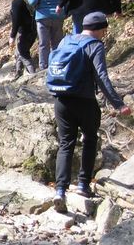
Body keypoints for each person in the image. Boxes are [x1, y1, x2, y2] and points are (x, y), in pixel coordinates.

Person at [49, 12, 131, 213]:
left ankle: (60, 190)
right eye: (104, 30)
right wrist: (119, 105)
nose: (104, 33)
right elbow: (102, 77)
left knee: (65, 144)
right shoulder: (95, 45)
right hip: (84, 101)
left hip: (61, 100)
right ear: (100, 28)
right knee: (90, 139)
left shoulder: (66, 41)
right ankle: (83, 185)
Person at [28, 0, 64, 70]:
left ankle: (44, 66)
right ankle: (58, 63)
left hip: (42, 17)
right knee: (57, 42)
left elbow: (32, 1)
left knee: (44, 43)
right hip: (57, 15)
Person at [7, 0, 36, 78]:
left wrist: (12, 36)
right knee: (19, 52)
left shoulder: (16, 2)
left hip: (24, 32)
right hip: (33, 30)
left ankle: (34, 75)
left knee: (23, 53)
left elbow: (16, 21)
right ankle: (18, 73)